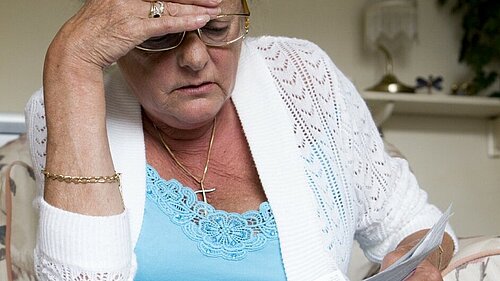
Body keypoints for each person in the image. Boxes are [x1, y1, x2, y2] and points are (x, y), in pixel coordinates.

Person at [25, 0, 456, 280]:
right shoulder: (68, 105)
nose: (195, 58)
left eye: (215, 28)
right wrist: (72, 57)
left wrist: (420, 264)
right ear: (114, 38)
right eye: (160, 35)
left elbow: (415, 223)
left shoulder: (304, 77)